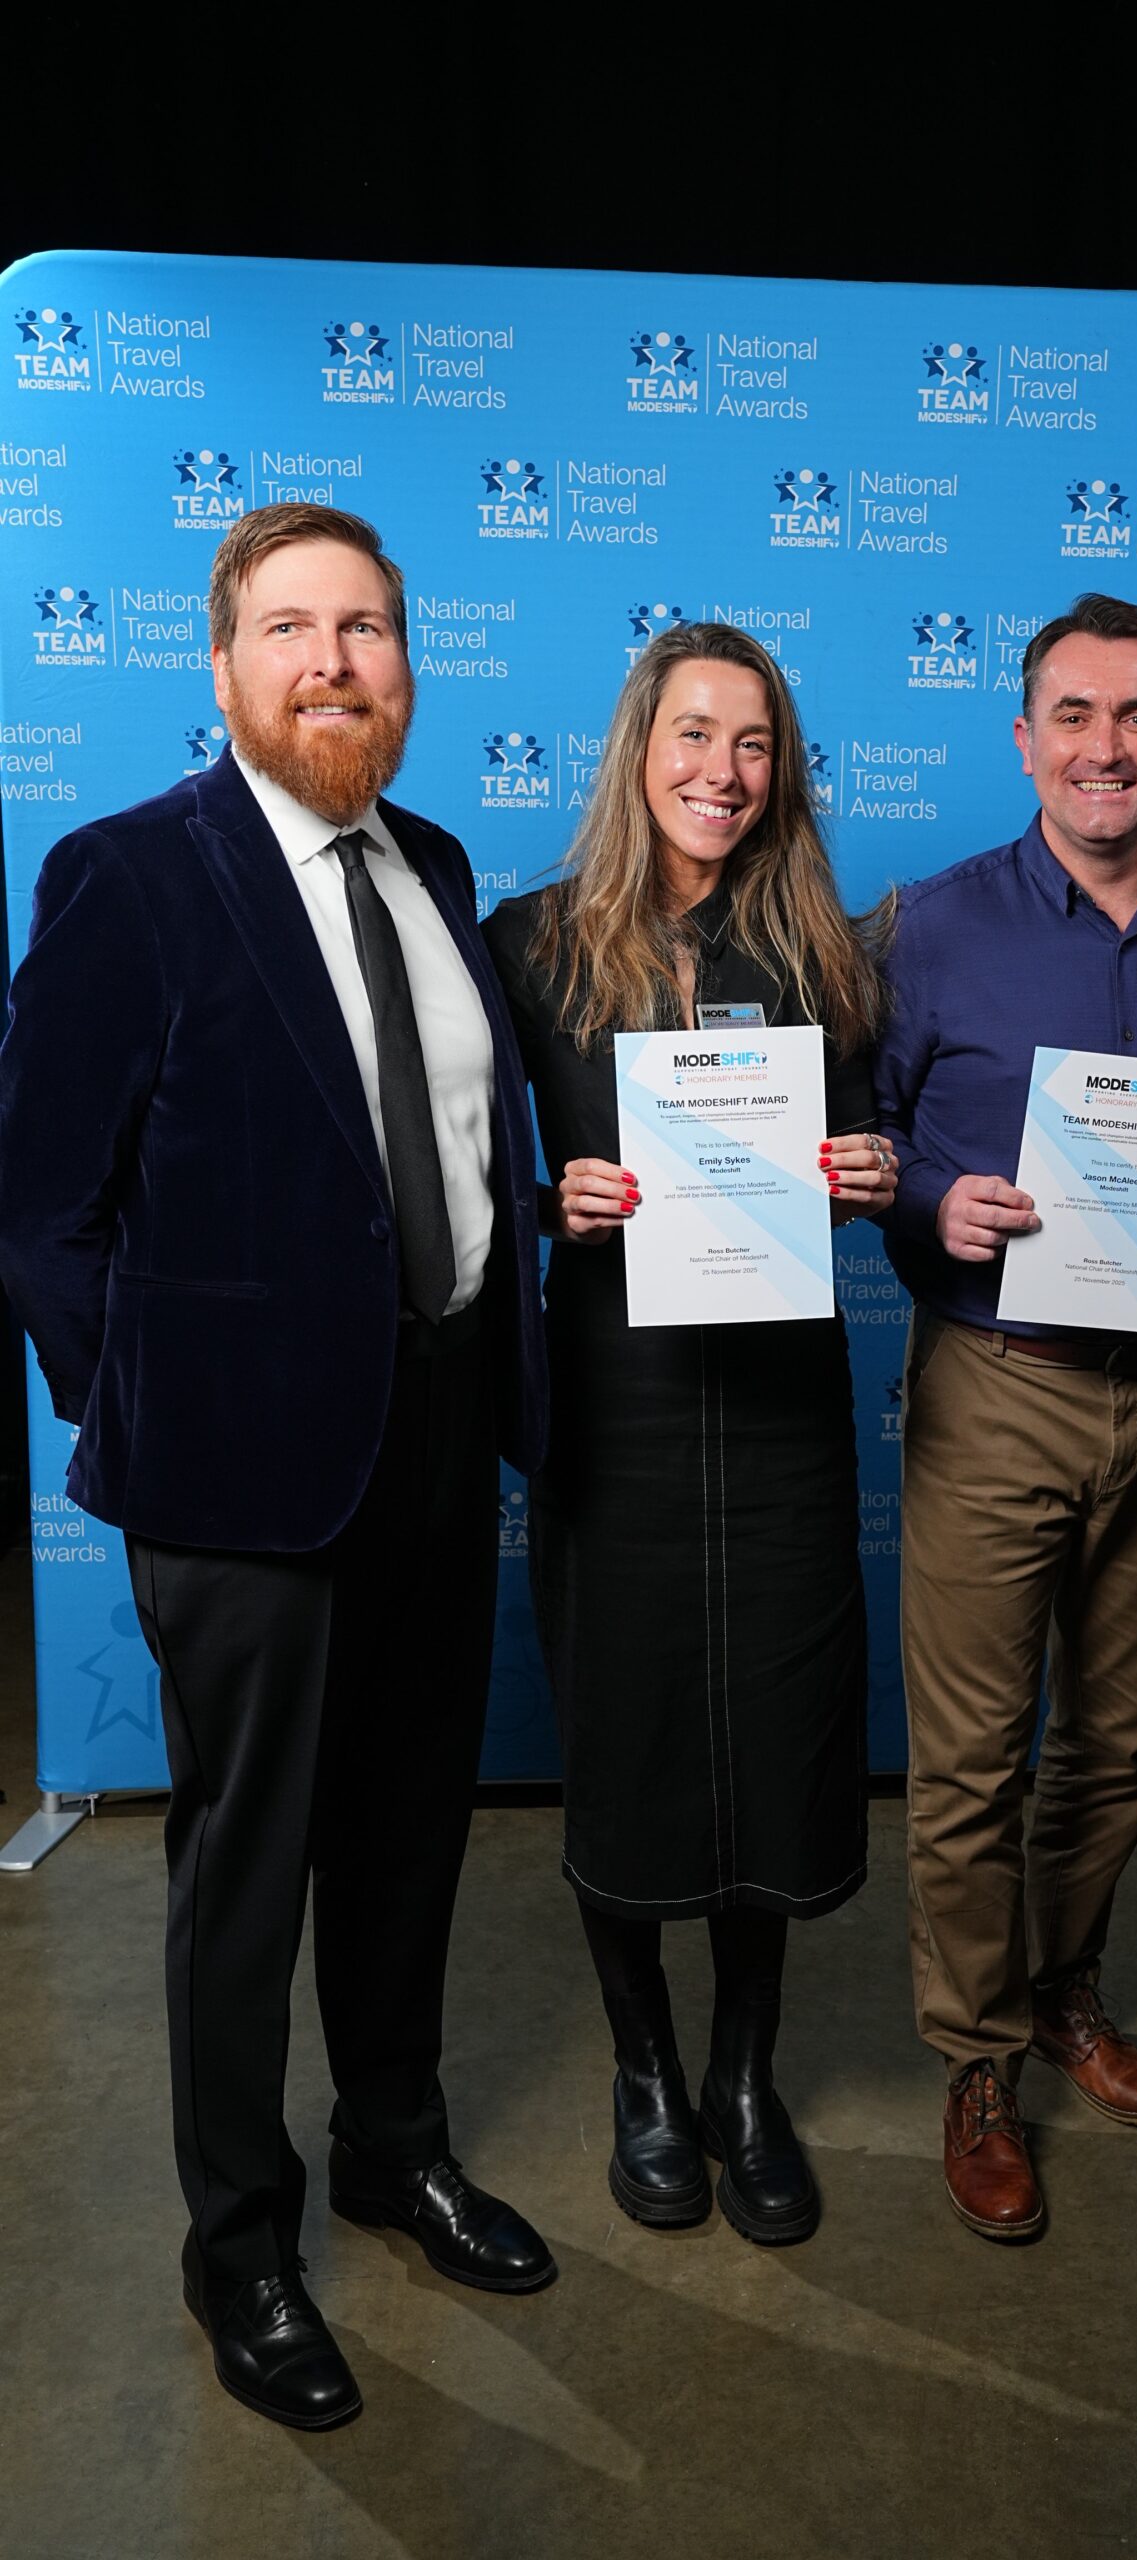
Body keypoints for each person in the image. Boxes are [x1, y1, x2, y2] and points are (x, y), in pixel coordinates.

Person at [0, 504, 556, 2432]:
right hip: (239, 1483)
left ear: (409, 665)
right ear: (223, 664)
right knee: (247, 1877)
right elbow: (37, 1210)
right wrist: (152, 1414)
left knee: (408, 1840)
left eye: (372, 629)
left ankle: (393, 2150)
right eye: (294, 628)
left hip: (441, 1434)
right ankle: (240, 2242)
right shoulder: (131, 876)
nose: (337, 661)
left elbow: (457, 1148)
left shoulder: (443, 863)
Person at [873, 591, 1137, 2240]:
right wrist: (933, 1203)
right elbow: (857, 1132)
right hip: (997, 1382)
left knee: (1118, 1741)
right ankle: (978, 2062)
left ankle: (1065, 1988)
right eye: (1073, 714)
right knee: (975, 1757)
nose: (1104, 746)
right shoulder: (928, 923)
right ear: (1024, 735)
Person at [483, 623, 894, 2248]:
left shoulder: (833, 959)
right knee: (634, 1733)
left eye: (754, 743)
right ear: (635, 745)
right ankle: (642, 2073)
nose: (723, 773)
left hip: (784, 1409)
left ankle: (742, 2076)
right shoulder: (527, 945)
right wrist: (546, 1196)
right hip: (617, 1405)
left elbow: (882, 1146)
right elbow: (443, 1165)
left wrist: (872, 1171)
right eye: (694, 735)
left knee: (780, 1743)